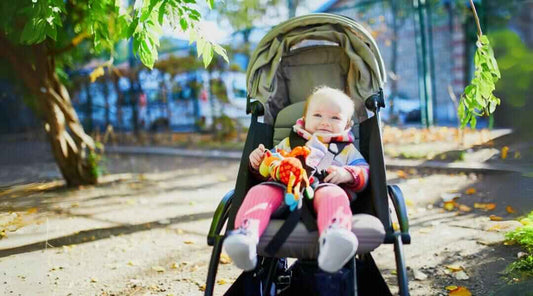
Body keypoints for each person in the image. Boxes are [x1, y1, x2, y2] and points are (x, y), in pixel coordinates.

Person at [223, 86, 369, 273]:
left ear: (347, 125)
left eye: (335, 118)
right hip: (285, 192)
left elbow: (364, 171)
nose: (325, 122)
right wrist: (258, 162)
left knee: (334, 194)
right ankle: (246, 235)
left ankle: (335, 236)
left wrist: (348, 174)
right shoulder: (289, 142)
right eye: (317, 115)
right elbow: (270, 166)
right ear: (304, 119)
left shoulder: (347, 149)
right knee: (259, 191)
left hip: (323, 189)